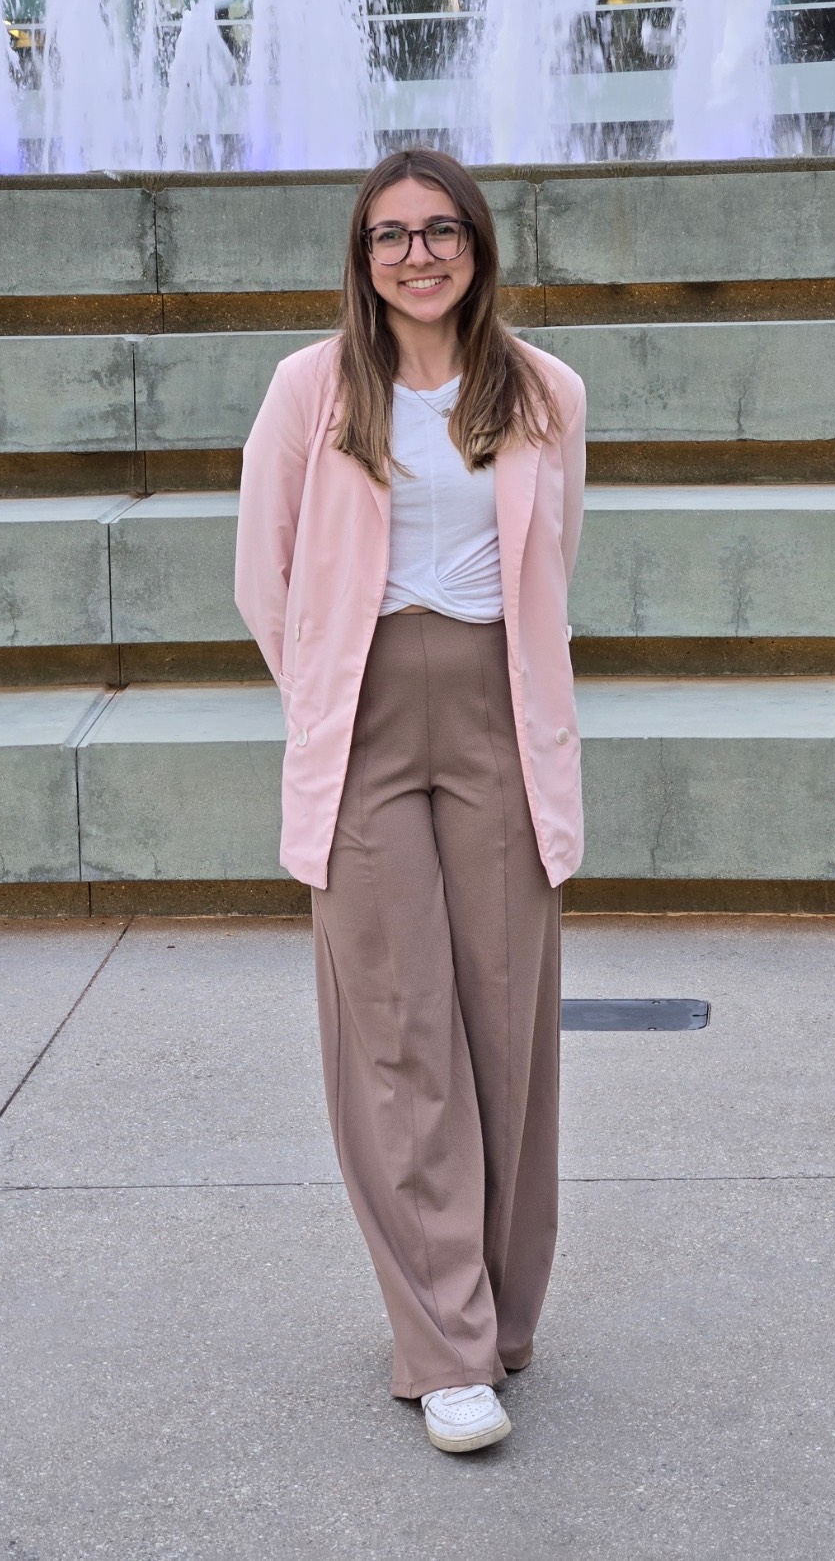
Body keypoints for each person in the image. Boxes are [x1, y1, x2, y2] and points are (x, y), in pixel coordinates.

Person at [234, 147, 587, 1453]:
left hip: (497, 715)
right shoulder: (310, 389)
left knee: (504, 1027)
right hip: (365, 721)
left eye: (441, 230)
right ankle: (441, 1344)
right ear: (362, 257)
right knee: (398, 1031)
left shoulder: (545, 391)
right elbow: (263, 572)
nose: (417, 254)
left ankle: (496, 1314)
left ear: (476, 247)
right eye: (391, 235)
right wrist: (329, 696)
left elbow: (552, 560)